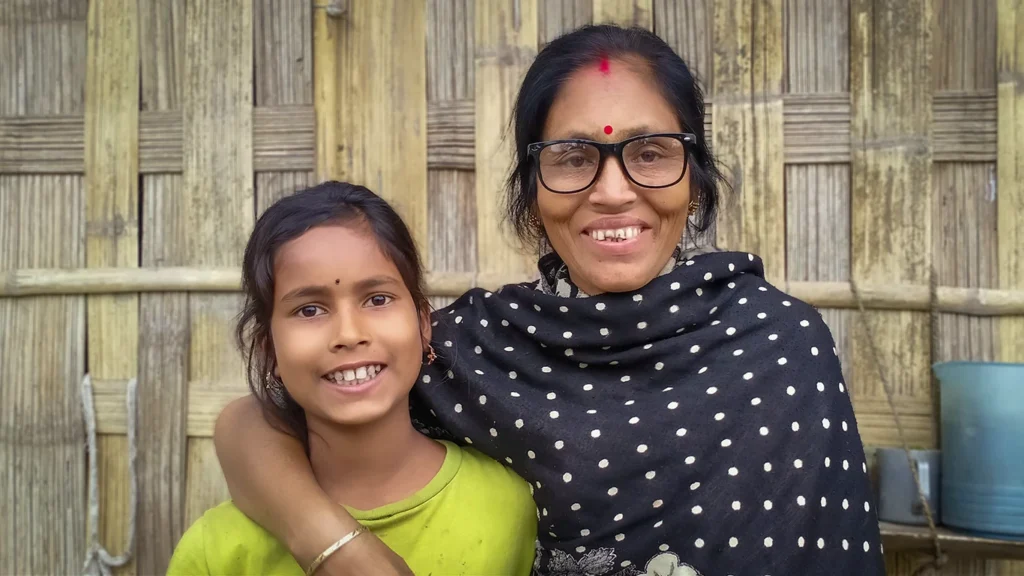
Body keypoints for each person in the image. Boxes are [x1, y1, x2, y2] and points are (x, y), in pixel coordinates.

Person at [213, 24, 886, 576]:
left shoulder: (781, 342)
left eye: (651, 152)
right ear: (532, 190)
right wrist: (345, 554)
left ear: (696, 181)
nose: (614, 191)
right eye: (572, 157)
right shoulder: (471, 349)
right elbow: (252, 424)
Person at [168, 182, 537, 575]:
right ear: (269, 349)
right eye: (310, 310)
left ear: (423, 323)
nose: (348, 334)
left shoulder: (512, 509)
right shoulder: (219, 550)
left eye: (377, 299)